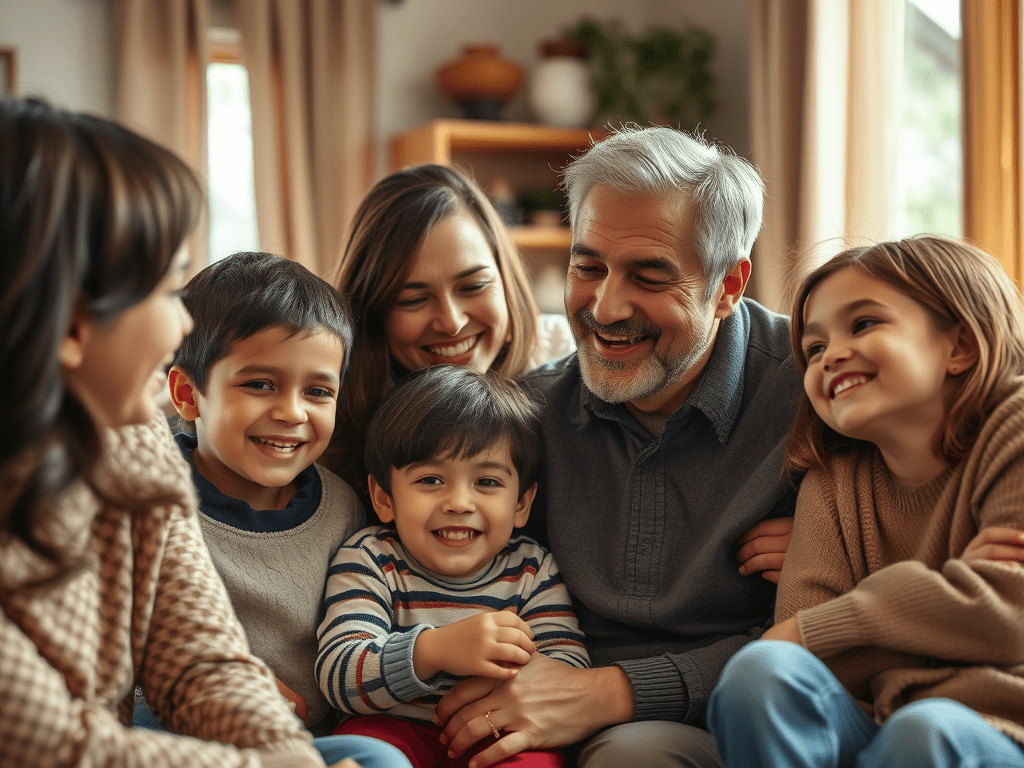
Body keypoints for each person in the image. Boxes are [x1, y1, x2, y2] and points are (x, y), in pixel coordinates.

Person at [0, 96, 391, 767]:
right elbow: (54, 747)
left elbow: (199, 659)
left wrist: (288, 757)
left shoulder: (137, 441)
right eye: (164, 290)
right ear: (69, 323)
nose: (181, 327)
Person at [432, 125, 803, 768]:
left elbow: (829, 630)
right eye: (588, 267)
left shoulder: (812, 393)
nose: (604, 308)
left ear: (729, 285)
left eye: (649, 276)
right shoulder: (530, 413)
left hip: (729, 714)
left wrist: (615, 691)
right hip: (549, 690)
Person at [707, 236, 1024, 767]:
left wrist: (832, 626)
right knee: (757, 673)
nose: (831, 355)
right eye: (812, 348)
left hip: (998, 730)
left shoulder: (1014, 429)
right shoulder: (833, 479)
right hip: (874, 726)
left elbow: (1011, 617)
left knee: (926, 729)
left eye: (864, 324)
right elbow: (797, 652)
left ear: (960, 346)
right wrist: (958, 594)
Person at [162, 252, 392, 751]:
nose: (291, 412)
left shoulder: (343, 508)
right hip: (185, 731)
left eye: (317, 391)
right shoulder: (152, 496)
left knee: (376, 756)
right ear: (187, 393)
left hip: (306, 741)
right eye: (260, 384)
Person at [318, 366, 590, 768]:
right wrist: (436, 650)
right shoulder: (369, 558)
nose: (459, 503)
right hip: (393, 729)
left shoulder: (532, 569)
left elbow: (567, 665)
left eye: (487, 482)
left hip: (494, 730)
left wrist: (508, 682)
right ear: (384, 497)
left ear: (521, 504)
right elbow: (339, 675)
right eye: (430, 480)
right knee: (366, 755)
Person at [323, 164, 575, 496]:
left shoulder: (568, 369)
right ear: (371, 316)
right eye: (414, 300)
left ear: (506, 280)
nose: (452, 322)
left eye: (473, 286)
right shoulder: (329, 421)